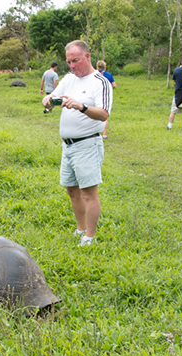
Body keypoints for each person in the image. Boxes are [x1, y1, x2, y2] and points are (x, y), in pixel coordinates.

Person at [42, 40, 113, 247]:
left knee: (89, 193)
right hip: (68, 145)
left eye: (76, 60)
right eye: (69, 62)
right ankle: (80, 229)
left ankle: (90, 237)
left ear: (87, 57)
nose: (72, 66)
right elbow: (50, 97)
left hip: (87, 144)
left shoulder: (100, 82)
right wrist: (48, 100)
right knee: (72, 190)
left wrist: (81, 106)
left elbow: (103, 114)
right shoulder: (69, 79)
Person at [96, 60, 117, 139]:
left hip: (96, 96)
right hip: (105, 97)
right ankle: (104, 134)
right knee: (104, 115)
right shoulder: (109, 75)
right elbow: (114, 85)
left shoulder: (94, 75)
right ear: (104, 67)